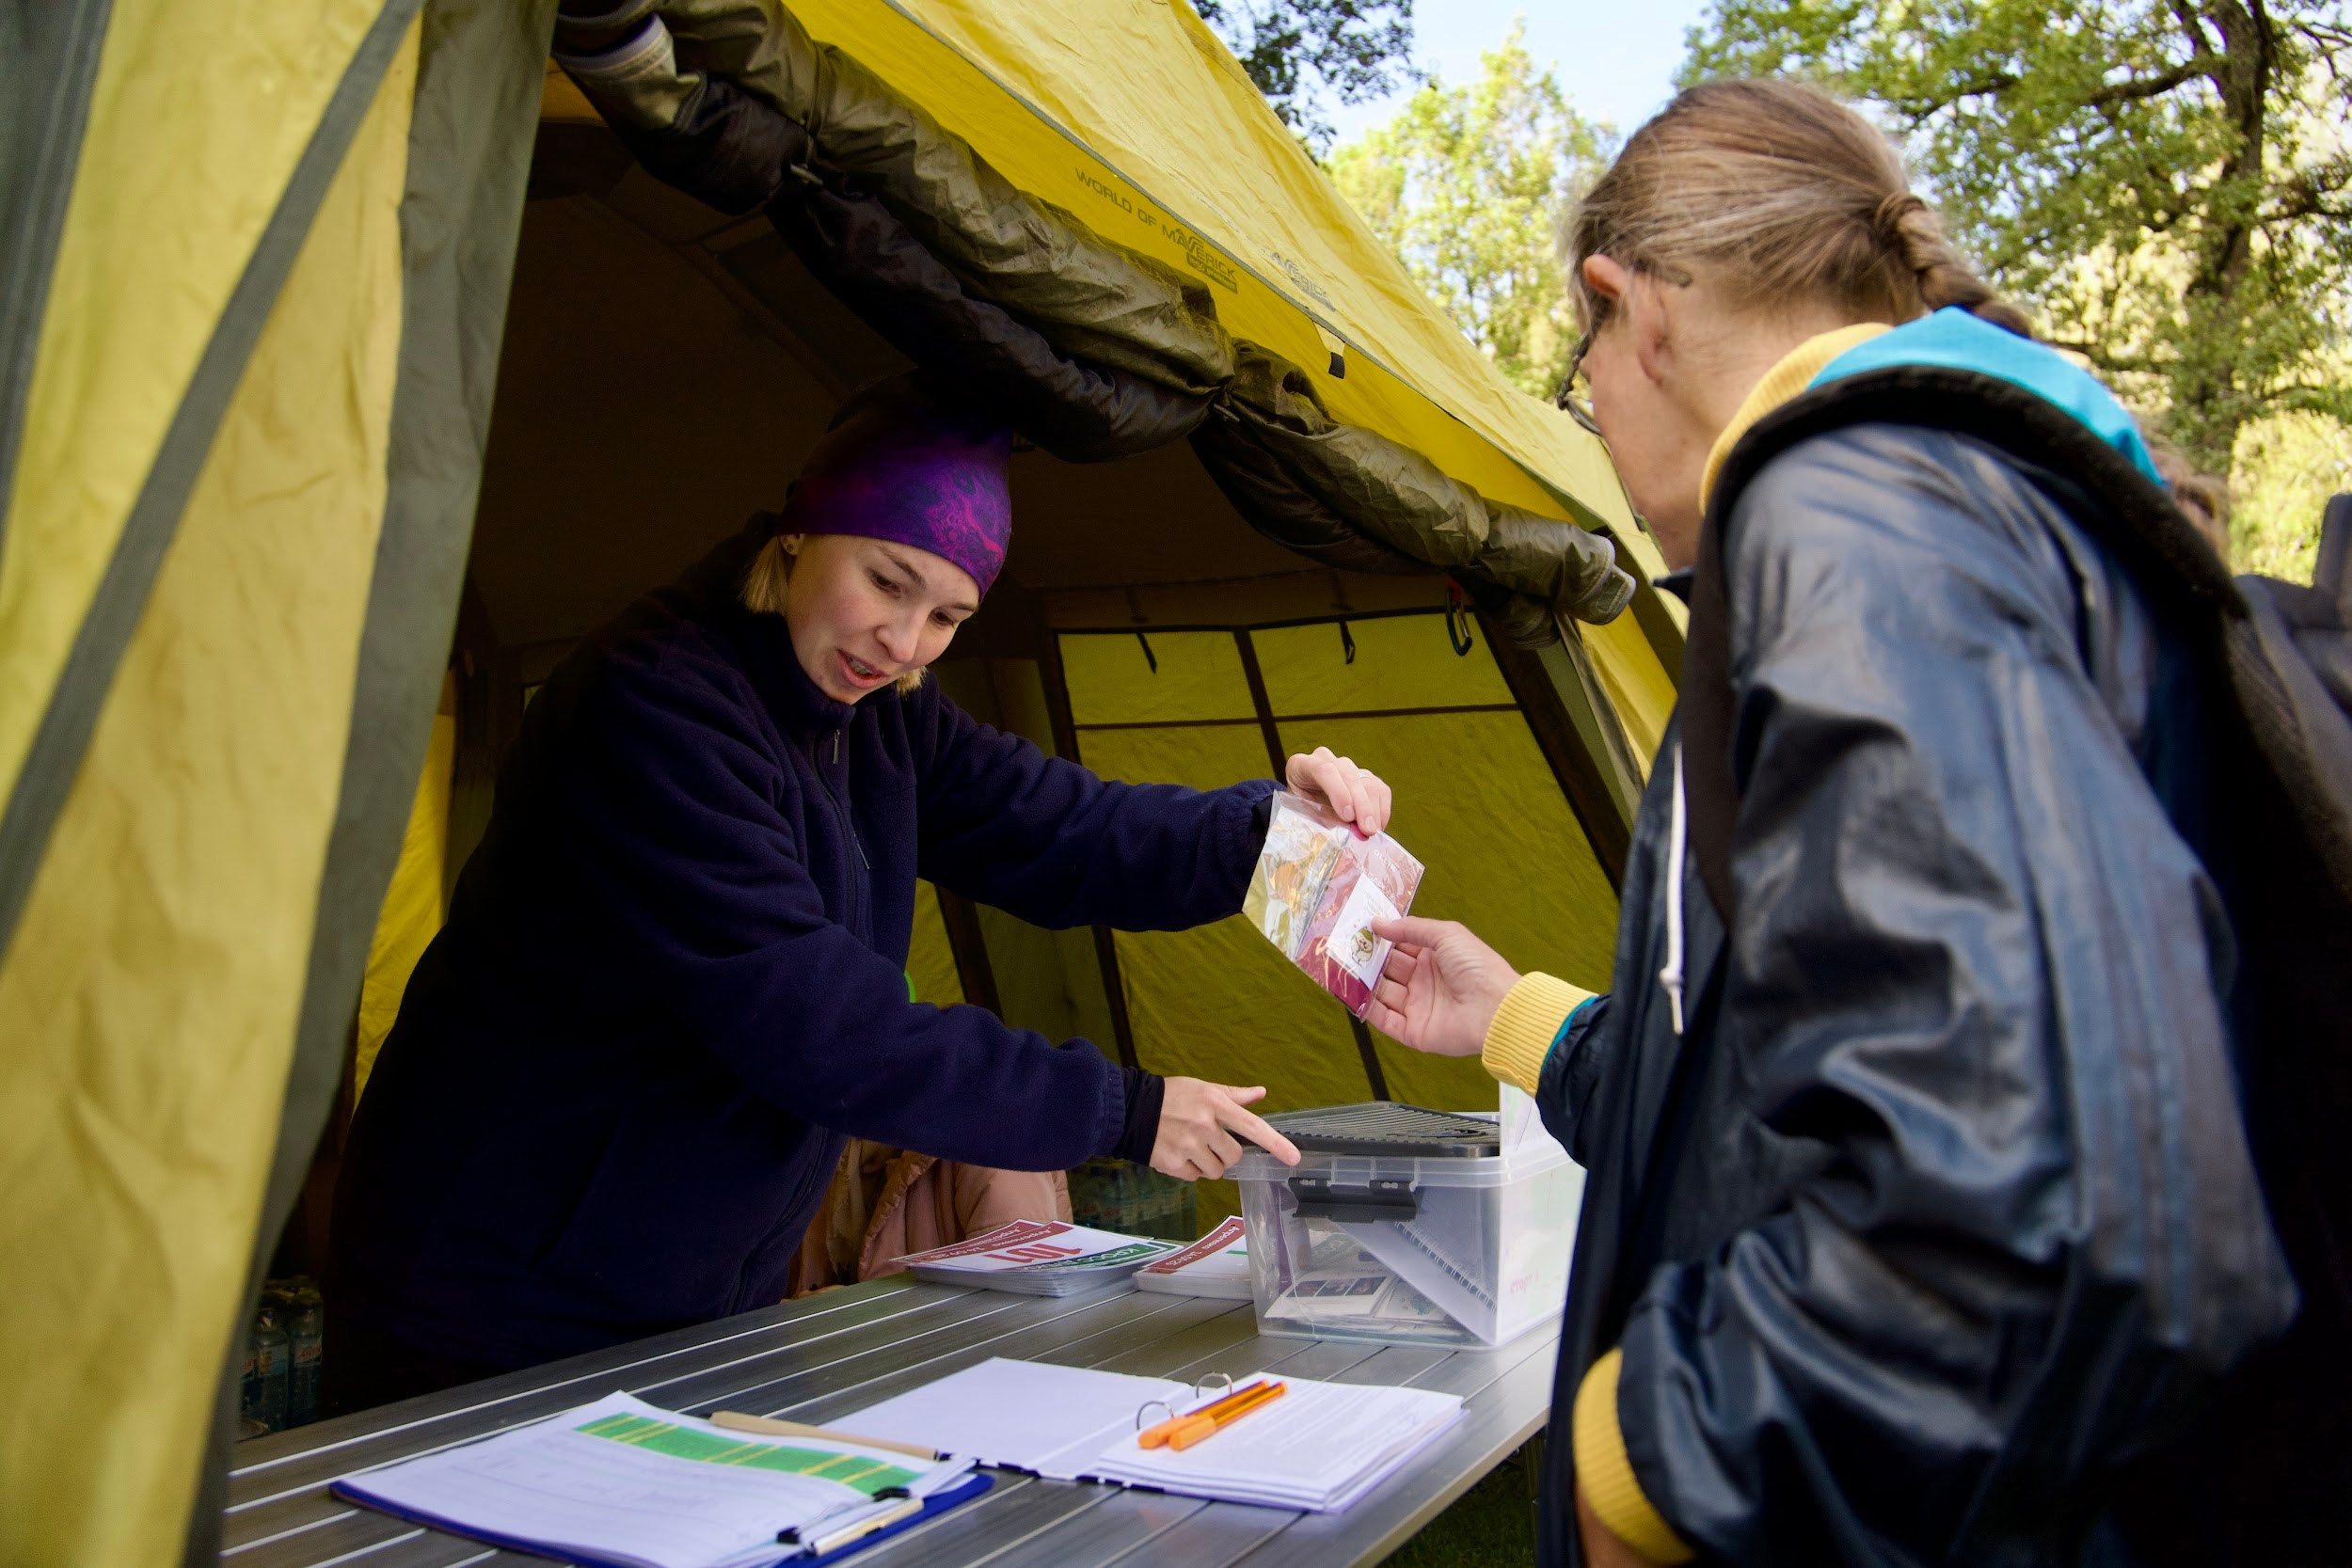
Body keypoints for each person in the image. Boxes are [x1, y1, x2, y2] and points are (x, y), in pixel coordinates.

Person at [1366, 81, 2301, 1567]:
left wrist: (1649, 1455)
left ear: (1632, 310)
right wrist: (1525, 1021)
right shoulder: (1937, 518)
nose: (1592, 416)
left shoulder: (1858, 519)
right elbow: (1795, 1105)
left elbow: (2040, 1200)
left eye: (1577, 363)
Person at [329, 374, 1387, 1408]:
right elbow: (818, 1020)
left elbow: (1065, 827)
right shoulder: (651, 705)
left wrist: (1270, 832)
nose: (904, 642)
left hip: (694, 1292)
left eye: (948, 615)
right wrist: (1122, 1107)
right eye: (886, 582)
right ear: (798, 529)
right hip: (493, 1295)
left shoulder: (880, 710)